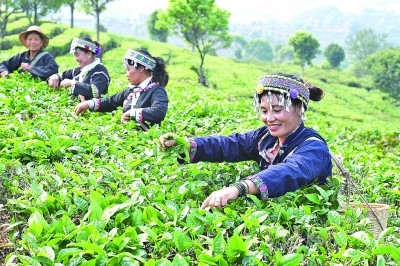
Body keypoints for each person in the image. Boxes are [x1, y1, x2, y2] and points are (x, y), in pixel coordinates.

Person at [159, 73, 332, 209]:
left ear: (299, 108)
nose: (269, 118)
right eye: (264, 111)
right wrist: (185, 144)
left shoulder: (313, 147)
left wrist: (239, 187)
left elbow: (290, 171)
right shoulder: (265, 138)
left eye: (278, 110)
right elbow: (230, 144)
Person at [74, 49, 169, 130]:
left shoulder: (157, 91)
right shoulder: (130, 91)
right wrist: (88, 103)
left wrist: (133, 113)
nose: (126, 74)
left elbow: (159, 111)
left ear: (141, 68)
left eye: (128, 69)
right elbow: (110, 102)